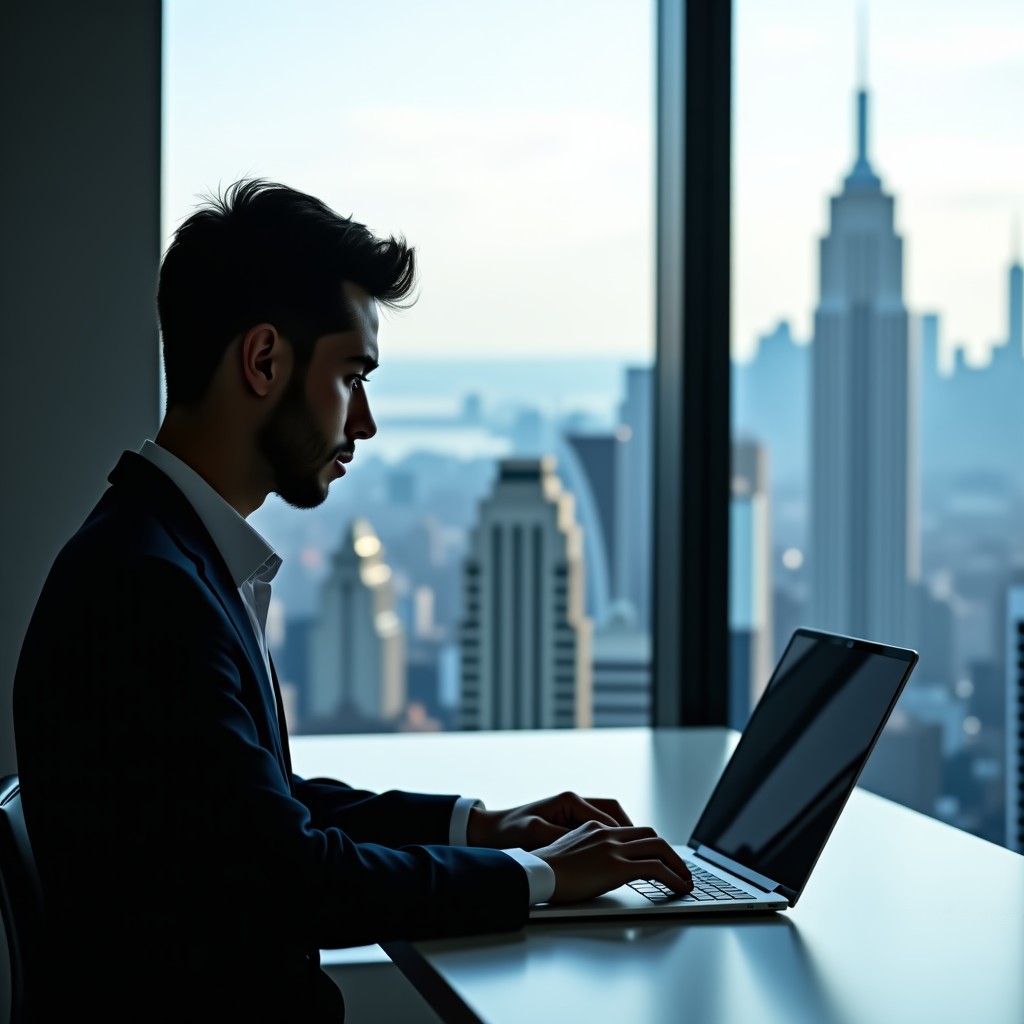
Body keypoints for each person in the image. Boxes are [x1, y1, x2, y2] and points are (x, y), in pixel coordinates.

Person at [13, 179, 692, 1022]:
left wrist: (485, 826)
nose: (364, 423)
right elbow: (289, 876)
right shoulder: (146, 590)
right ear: (264, 361)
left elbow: (261, 813)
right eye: (351, 376)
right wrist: (542, 878)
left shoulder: (159, 554)